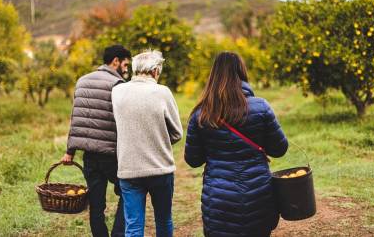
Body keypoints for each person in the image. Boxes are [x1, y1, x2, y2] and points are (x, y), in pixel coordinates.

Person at [184, 52, 288, 237]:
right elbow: (280, 149)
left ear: (213, 76)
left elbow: (193, 160)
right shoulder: (261, 107)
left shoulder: (201, 114)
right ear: (242, 72)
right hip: (258, 195)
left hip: (219, 198)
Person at [61, 44, 131, 237]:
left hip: (89, 156)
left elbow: (76, 119)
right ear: (115, 61)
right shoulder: (119, 85)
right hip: (111, 155)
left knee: (96, 205)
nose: (126, 69)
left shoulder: (82, 81)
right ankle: (118, 233)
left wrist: (70, 151)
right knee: (128, 192)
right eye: (125, 64)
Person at [111, 50, 183, 237]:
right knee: (163, 219)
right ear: (155, 71)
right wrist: (158, 139)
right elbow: (177, 133)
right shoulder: (162, 92)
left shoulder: (117, 91)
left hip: (129, 169)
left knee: (133, 226)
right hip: (160, 169)